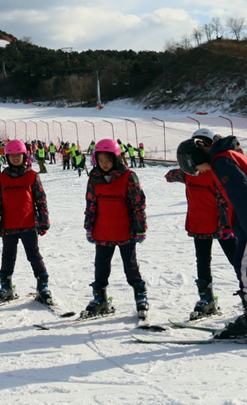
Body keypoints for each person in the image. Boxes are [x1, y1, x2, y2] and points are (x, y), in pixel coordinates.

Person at [177, 133, 247, 339]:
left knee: (244, 266)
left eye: (195, 166)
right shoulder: (228, 154)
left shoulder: (221, 160)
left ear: (199, 153)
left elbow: (243, 194)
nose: (198, 171)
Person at [165, 128, 237, 320]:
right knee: (203, 262)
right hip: (199, 225)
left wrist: (227, 227)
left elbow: (224, 201)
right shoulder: (191, 172)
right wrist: (176, 173)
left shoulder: (216, 172)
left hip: (221, 227)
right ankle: (207, 298)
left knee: (237, 260)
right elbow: (172, 175)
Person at [81, 139, 149, 319]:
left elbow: (137, 205)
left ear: (117, 159)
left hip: (125, 231)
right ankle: (100, 297)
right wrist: (89, 227)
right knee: (101, 266)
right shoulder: (94, 177)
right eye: (101, 161)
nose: (104, 164)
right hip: (103, 231)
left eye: (108, 160)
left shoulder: (129, 176)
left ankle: (140, 295)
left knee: (131, 266)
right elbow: (91, 204)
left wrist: (140, 228)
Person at [0, 140, 54, 306]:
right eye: (12, 155)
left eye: (18, 155)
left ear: (24, 156)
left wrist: (44, 220)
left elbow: (41, 200)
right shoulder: (2, 178)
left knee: (34, 255)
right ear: (7, 157)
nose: (15, 158)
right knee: (8, 257)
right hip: (9, 225)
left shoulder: (32, 176)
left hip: (28, 224)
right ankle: (6, 286)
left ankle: (43, 285)